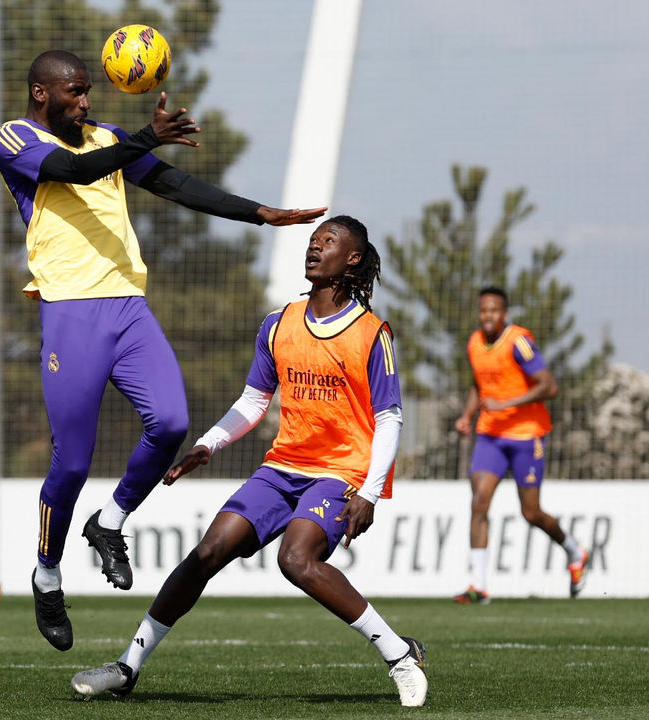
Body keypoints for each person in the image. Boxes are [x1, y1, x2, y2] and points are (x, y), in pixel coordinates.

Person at [0, 49, 326, 651]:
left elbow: (172, 182)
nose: (86, 101)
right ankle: (46, 573)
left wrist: (259, 214)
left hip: (127, 308)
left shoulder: (107, 137)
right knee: (70, 463)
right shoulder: (13, 137)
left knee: (170, 421)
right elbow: (75, 172)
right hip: (70, 314)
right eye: (75, 91)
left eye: (88, 91)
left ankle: (110, 521)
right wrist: (147, 135)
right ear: (42, 93)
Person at [70, 216, 428, 707]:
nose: (314, 246)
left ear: (353, 259)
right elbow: (254, 400)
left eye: (328, 241)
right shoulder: (278, 323)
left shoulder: (371, 333)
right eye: (312, 240)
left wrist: (368, 492)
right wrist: (207, 444)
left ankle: (399, 657)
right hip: (283, 467)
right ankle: (127, 667)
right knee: (208, 551)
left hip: (340, 472)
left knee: (295, 560)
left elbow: (389, 417)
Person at [452, 287, 589, 604]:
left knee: (530, 512)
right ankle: (479, 586)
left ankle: (574, 551)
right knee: (479, 502)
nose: (488, 316)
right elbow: (479, 384)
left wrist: (507, 403)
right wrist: (467, 414)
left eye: (494, 311)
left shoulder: (518, 343)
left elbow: (549, 385)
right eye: (483, 310)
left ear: (506, 314)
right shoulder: (474, 343)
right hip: (490, 435)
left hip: (527, 435)